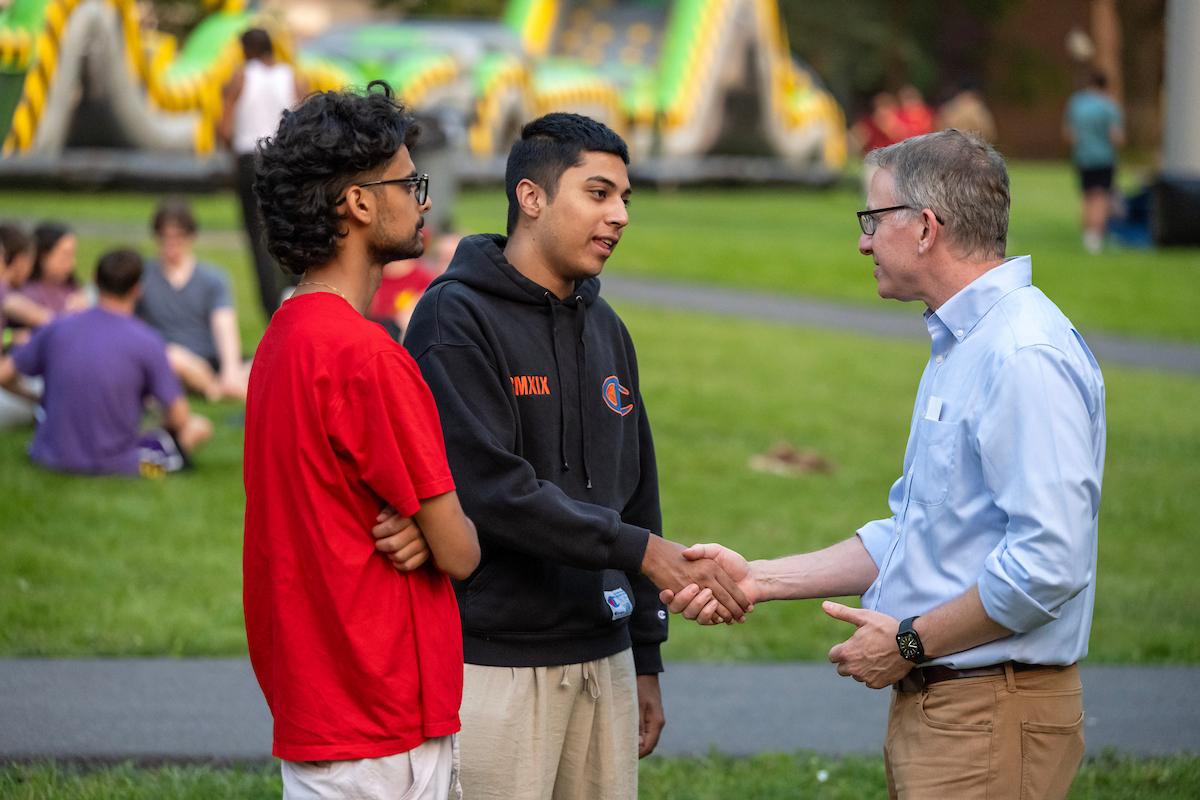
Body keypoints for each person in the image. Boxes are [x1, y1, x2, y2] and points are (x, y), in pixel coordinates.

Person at [664, 130, 1105, 800]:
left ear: (926, 228)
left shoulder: (1021, 354)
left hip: (989, 714)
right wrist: (758, 579)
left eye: (873, 220)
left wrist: (907, 644)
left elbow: (1051, 563)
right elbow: (914, 532)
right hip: (950, 708)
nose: (864, 241)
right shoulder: (966, 344)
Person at [404, 112, 752, 800]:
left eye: (625, 198)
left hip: (607, 654)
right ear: (531, 197)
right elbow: (489, 491)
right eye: (598, 194)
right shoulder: (454, 318)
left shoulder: (606, 326)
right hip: (494, 658)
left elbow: (636, 489)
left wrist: (646, 654)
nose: (619, 215)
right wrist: (641, 548)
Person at [245, 80, 480, 799]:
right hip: (382, 718)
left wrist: (419, 523)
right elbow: (461, 552)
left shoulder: (284, 336)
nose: (424, 200)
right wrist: (432, 526)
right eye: (411, 183)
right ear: (358, 202)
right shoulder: (370, 355)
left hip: (316, 703)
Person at [0, 249, 212, 476]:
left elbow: (4, 374)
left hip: (49, 455)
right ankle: (147, 461)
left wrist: (35, 399)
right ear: (138, 289)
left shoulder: (57, 327)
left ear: (94, 281)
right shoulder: (147, 341)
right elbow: (179, 417)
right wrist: (152, 426)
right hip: (117, 463)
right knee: (198, 427)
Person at [218, 27, 305, 318]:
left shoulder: (241, 76)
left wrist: (230, 149)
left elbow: (224, 126)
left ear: (247, 49)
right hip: (286, 159)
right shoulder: (291, 75)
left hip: (250, 159)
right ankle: (296, 289)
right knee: (292, 229)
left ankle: (271, 309)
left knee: (258, 238)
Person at [137, 198, 248, 401]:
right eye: (165, 238)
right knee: (172, 356)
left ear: (190, 237)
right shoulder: (142, 277)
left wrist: (231, 367)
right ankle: (212, 388)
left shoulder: (213, 278)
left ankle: (224, 381)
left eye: (177, 237)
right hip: (167, 359)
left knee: (268, 363)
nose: (171, 244)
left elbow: (224, 322)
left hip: (208, 357)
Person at [1064, 72, 1124, 254]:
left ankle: (1087, 235)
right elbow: (1116, 136)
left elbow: (1069, 134)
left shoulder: (1076, 103)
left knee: (1087, 196)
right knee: (1101, 197)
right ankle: (1095, 237)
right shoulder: (1109, 106)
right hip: (1104, 158)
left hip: (1083, 157)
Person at [18, 222, 88, 316]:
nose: (72, 263)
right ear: (43, 256)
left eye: (72, 255)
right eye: (65, 255)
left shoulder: (73, 289)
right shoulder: (24, 292)